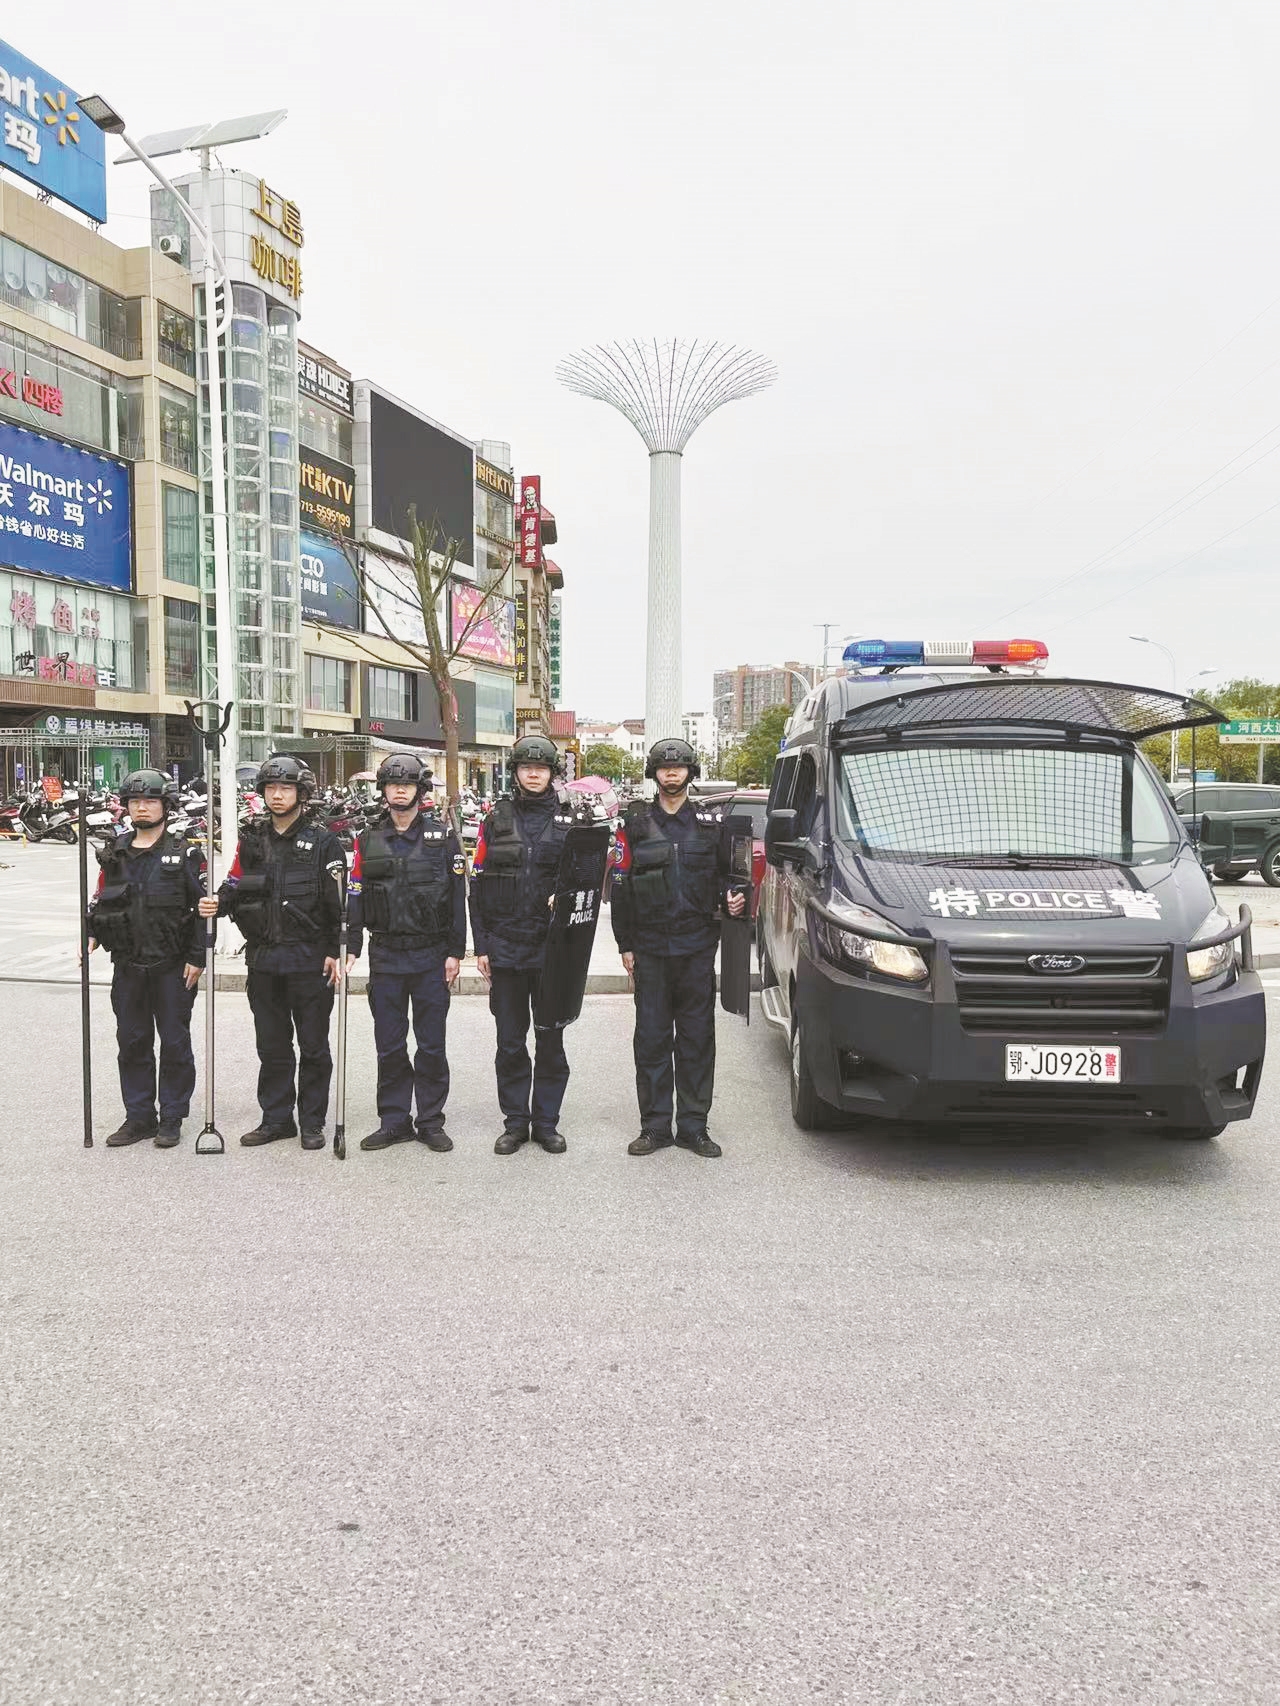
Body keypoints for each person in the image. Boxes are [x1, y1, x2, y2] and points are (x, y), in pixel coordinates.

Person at [610, 737, 749, 1159]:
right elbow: (619, 888)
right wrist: (625, 944)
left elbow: (731, 875)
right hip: (650, 948)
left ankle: (693, 1126)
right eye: (664, 768)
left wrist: (733, 896)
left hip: (696, 948)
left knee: (696, 1039)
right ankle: (654, 1127)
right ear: (653, 773)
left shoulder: (711, 824)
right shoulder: (633, 824)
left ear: (691, 772)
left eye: (680, 767)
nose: (672, 773)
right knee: (651, 1039)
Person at [199, 753, 345, 1150]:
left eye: (286, 788)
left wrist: (335, 949)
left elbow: (337, 905)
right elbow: (235, 884)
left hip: (309, 959)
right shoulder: (251, 839)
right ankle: (276, 1118)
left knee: (314, 1045)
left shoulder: (324, 841)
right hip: (263, 959)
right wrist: (217, 903)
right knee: (272, 1045)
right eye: (271, 788)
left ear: (302, 793)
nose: (277, 796)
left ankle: (312, 1121)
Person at [470, 733, 594, 1154]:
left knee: (550, 1039)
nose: (534, 773)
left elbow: (592, 882)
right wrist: (481, 945)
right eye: (526, 767)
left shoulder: (573, 820)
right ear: (517, 772)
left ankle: (546, 1122)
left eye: (541, 767)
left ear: (553, 773)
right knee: (509, 1042)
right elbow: (477, 885)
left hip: (552, 951)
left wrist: (570, 893)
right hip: (504, 947)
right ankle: (515, 1122)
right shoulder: (495, 819)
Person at [345, 752, 465, 1152]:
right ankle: (394, 1120)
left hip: (430, 955)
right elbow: (356, 892)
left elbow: (457, 896)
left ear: (419, 790)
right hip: (386, 955)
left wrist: (455, 950)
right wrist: (353, 943)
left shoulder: (442, 838)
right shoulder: (367, 839)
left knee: (431, 1044)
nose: (399, 789)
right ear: (383, 790)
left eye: (407, 784)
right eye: (393, 783)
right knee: (390, 1044)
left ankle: (430, 1120)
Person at [86, 769, 207, 1148]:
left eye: (150, 800)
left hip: (173, 966)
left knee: (174, 1043)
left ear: (165, 806)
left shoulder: (185, 852)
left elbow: (202, 909)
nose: (141, 806)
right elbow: (100, 899)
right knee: (132, 1041)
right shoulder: (115, 852)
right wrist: (89, 933)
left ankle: (171, 1116)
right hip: (128, 965)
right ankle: (138, 1117)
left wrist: (198, 956)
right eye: (135, 801)